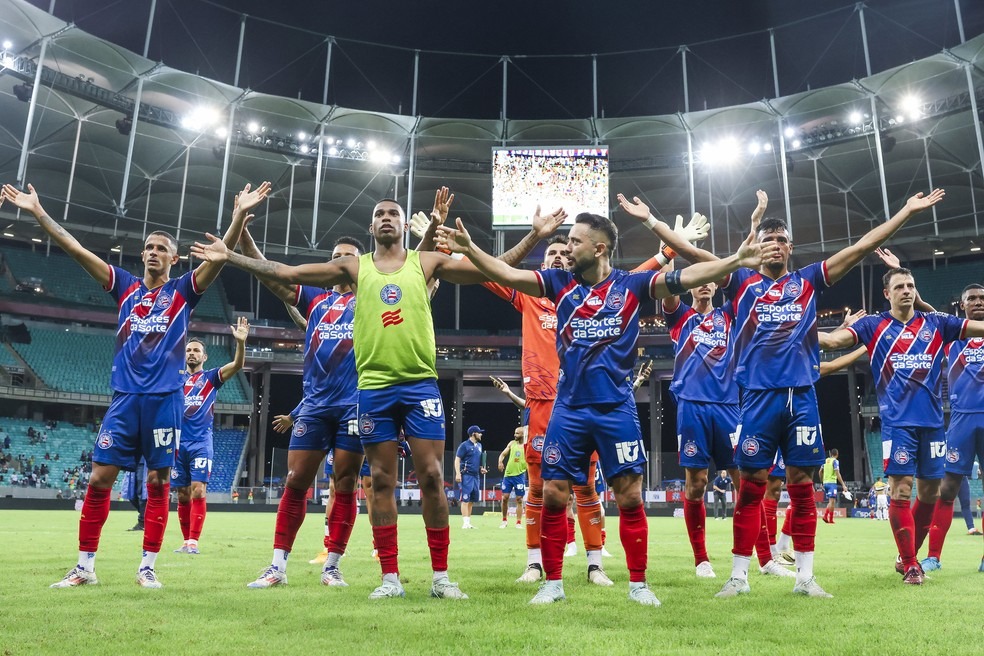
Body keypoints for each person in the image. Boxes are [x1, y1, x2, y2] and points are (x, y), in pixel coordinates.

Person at [192, 190, 563, 599]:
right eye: (380, 214)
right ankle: (390, 578)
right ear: (372, 227)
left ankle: (441, 577)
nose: (387, 218)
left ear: (405, 225)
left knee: (433, 478)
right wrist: (231, 255)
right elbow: (285, 272)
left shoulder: (425, 263)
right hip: (372, 389)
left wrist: (533, 236)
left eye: (394, 213)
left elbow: (495, 269)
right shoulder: (354, 267)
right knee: (381, 481)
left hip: (420, 384)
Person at [436, 207, 778, 606]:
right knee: (553, 493)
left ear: (599, 248)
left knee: (629, 495)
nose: (567, 247)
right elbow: (507, 275)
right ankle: (553, 583)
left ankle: (638, 584)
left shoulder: (632, 286)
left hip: (617, 409)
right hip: (569, 408)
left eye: (575, 241)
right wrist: (471, 249)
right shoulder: (557, 283)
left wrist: (736, 261)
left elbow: (686, 277)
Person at [621, 187, 945, 598]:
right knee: (751, 485)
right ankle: (738, 576)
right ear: (759, 246)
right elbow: (688, 251)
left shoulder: (808, 281)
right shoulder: (740, 281)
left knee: (801, 487)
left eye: (781, 240)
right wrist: (651, 221)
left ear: (791, 247)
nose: (774, 245)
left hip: (802, 398)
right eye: (767, 240)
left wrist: (906, 209)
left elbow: (865, 244)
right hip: (757, 398)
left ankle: (806, 577)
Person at [0, 180, 267, 589]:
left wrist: (234, 221)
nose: (153, 252)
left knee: (160, 482)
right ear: (142, 254)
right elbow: (76, 249)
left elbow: (216, 259)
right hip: (124, 401)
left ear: (175, 259)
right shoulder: (123, 287)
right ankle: (85, 566)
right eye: (149, 247)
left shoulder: (183, 292)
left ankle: (147, 566)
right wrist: (38, 212)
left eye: (162, 248)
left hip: (164, 403)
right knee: (98, 479)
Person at [822, 269, 984, 584]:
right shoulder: (874, 326)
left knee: (929, 494)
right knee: (901, 490)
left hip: (934, 424)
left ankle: (906, 555)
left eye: (911, 285)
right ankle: (911, 563)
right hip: (898, 425)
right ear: (888, 294)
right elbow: (831, 340)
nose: (907, 291)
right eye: (899, 286)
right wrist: (795, 328)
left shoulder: (937, 324)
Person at [236, 228, 366, 589]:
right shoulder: (315, 300)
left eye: (349, 256)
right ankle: (277, 566)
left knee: (345, 484)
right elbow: (268, 271)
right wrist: (245, 230)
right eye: (336, 255)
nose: (341, 260)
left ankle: (333, 565)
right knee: (295, 482)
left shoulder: (372, 296)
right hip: (315, 405)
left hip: (355, 405)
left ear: (359, 264)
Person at [173, 318, 250, 555]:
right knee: (182, 494)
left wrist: (241, 343)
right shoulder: (174, 380)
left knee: (198, 489)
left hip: (200, 443)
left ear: (204, 357)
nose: (192, 353)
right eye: (188, 350)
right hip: (177, 443)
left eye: (196, 350)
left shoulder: (210, 378)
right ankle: (186, 541)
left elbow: (237, 365)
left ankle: (194, 542)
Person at [922, 283, 984, 566]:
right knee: (947, 489)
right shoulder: (953, 338)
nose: (978, 302)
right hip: (961, 419)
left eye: (983, 298)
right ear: (962, 305)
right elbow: (929, 312)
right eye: (972, 298)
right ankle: (933, 556)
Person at [455, 425, 487, 529]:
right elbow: (457, 459)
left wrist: (482, 468)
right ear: (474, 434)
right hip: (466, 474)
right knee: (465, 499)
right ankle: (464, 523)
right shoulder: (464, 445)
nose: (481, 434)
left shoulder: (479, 446)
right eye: (479, 432)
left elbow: (478, 460)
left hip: (475, 475)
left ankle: (468, 522)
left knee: (472, 499)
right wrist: (458, 473)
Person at [497, 427, 528, 529]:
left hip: (519, 476)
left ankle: (518, 522)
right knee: (505, 498)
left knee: (519, 499)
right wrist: (500, 461)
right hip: (508, 475)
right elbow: (502, 454)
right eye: (515, 433)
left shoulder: (527, 446)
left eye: (517, 433)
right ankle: (504, 520)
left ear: (523, 435)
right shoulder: (511, 444)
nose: (515, 435)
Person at [819, 448, 847, 525]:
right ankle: (828, 518)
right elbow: (837, 473)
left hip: (825, 483)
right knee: (832, 502)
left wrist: (821, 481)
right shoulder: (835, 461)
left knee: (832, 502)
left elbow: (820, 471)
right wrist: (843, 485)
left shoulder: (825, 460)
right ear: (837, 454)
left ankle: (828, 518)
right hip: (832, 483)